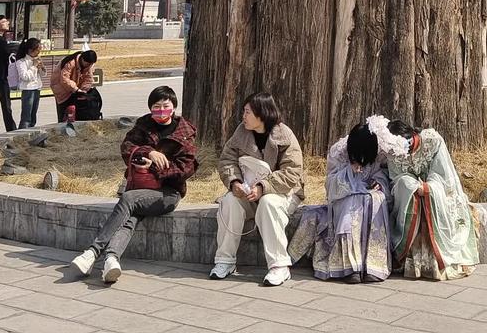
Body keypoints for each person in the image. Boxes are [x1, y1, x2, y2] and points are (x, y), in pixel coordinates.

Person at [71, 85, 197, 283]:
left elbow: (186, 169)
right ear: (150, 108)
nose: (161, 110)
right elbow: (127, 147)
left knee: (128, 199)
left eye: (166, 105)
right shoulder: (143, 126)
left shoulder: (185, 133)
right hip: (141, 187)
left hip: (168, 193)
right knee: (130, 219)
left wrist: (156, 168)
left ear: (174, 107)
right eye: (156, 106)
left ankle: (92, 252)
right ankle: (111, 259)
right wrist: (148, 152)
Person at [289, 116, 405, 283]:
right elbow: (331, 186)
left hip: (369, 196)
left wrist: (378, 182)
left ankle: (373, 264)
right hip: (344, 198)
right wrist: (349, 171)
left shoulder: (379, 153)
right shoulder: (339, 153)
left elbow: (381, 174)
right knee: (354, 202)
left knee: (377, 199)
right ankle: (350, 266)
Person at [212, 92, 304, 287]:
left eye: (247, 112)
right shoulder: (241, 132)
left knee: (269, 203)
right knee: (229, 201)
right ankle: (225, 261)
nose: (243, 116)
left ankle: (279, 266)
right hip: (248, 190)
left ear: (262, 114)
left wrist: (264, 187)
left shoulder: (284, 135)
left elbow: (292, 171)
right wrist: (235, 182)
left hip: (283, 192)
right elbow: (227, 160)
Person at [385, 119, 479, 280]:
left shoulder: (433, 141)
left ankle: (436, 262)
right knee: (408, 188)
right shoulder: (393, 150)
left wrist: (429, 188)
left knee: (429, 195)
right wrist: (412, 186)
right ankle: (412, 261)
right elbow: (397, 177)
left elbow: (443, 174)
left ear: (412, 135)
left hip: (436, 187)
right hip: (413, 191)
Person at [51, 49, 98, 122]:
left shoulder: (88, 65)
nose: (89, 66)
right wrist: (76, 89)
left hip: (74, 91)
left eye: (90, 64)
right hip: (61, 90)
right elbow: (64, 79)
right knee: (63, 114)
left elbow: (88, 79)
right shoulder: (70, 62)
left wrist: (83, 90)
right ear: (82, 59)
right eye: (88, 64)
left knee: (74, 114)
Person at [9, 37, 44, 129]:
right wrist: (34, 66)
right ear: (30, 50)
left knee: (33, 115)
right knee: (26, 116)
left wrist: (41, 68)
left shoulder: (36, 59)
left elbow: (43, 75)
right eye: (37, 50)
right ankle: (22, 133)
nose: (39, 52)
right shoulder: (21, 61)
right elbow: (25, 77)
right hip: (28, 89)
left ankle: (31, 131)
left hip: (37, 88)